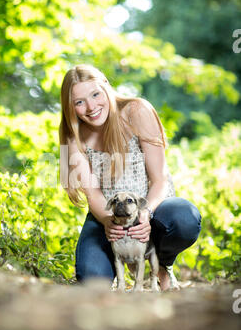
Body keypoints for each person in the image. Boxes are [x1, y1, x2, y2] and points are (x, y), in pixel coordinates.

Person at [59, 64, 201, 290]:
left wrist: (146, 213)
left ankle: (161, 264)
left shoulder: (137, 111)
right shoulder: (72, 136)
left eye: (95, 94)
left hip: (154, 208)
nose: (91, 107)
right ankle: (124, 266)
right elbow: (93, 194)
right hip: (108, 215)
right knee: (91, 277)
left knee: (185, 219)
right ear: (70, 107)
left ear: (106, 86)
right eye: (79, 102)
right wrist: (108, 221)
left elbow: (160, 179)